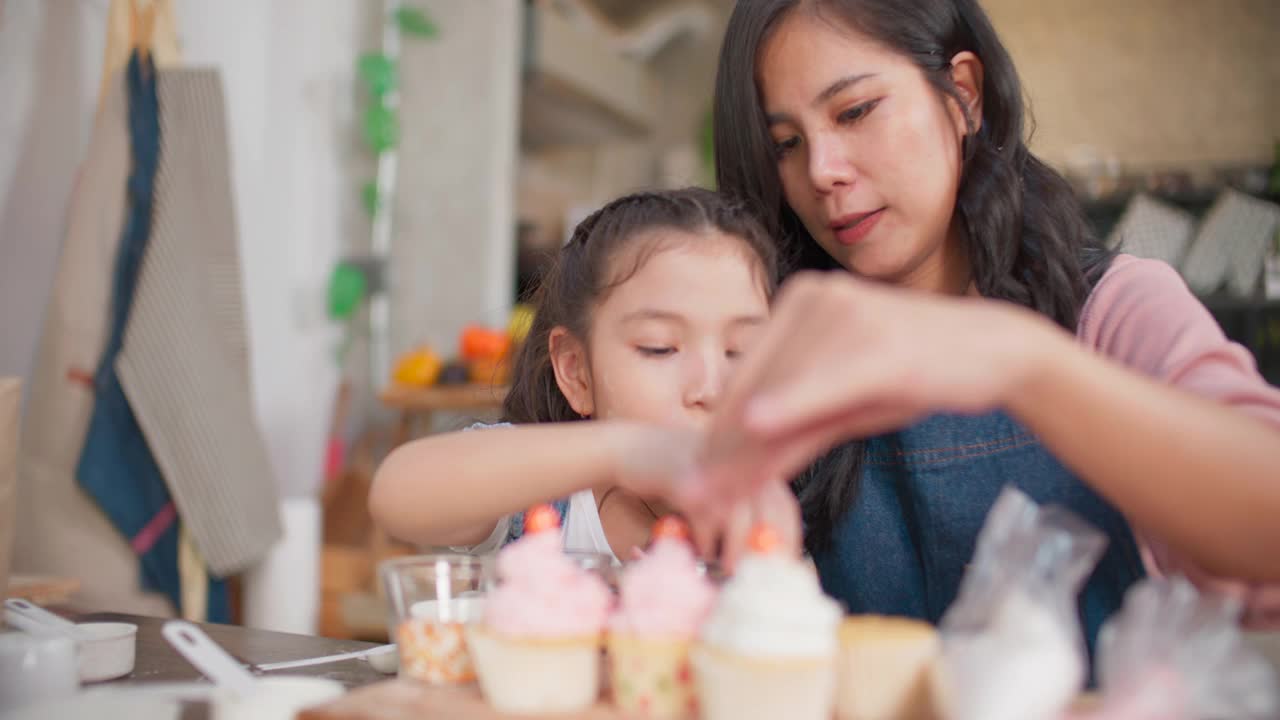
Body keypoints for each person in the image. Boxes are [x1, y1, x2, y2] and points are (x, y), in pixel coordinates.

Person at [693, 0, 1280, 649]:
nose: (822, 170)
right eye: (786, 145)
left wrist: (1021, 361)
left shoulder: (1113, 308)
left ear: (963, 96)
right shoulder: (776, 355)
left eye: (855, 111)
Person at [369, 187, 799, 564]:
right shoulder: (543, 498)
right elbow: (396, 494)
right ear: (576, 372)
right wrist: (622, 450)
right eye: (659, 347)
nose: (710, 388)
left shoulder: (763, 519)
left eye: (743, 352)